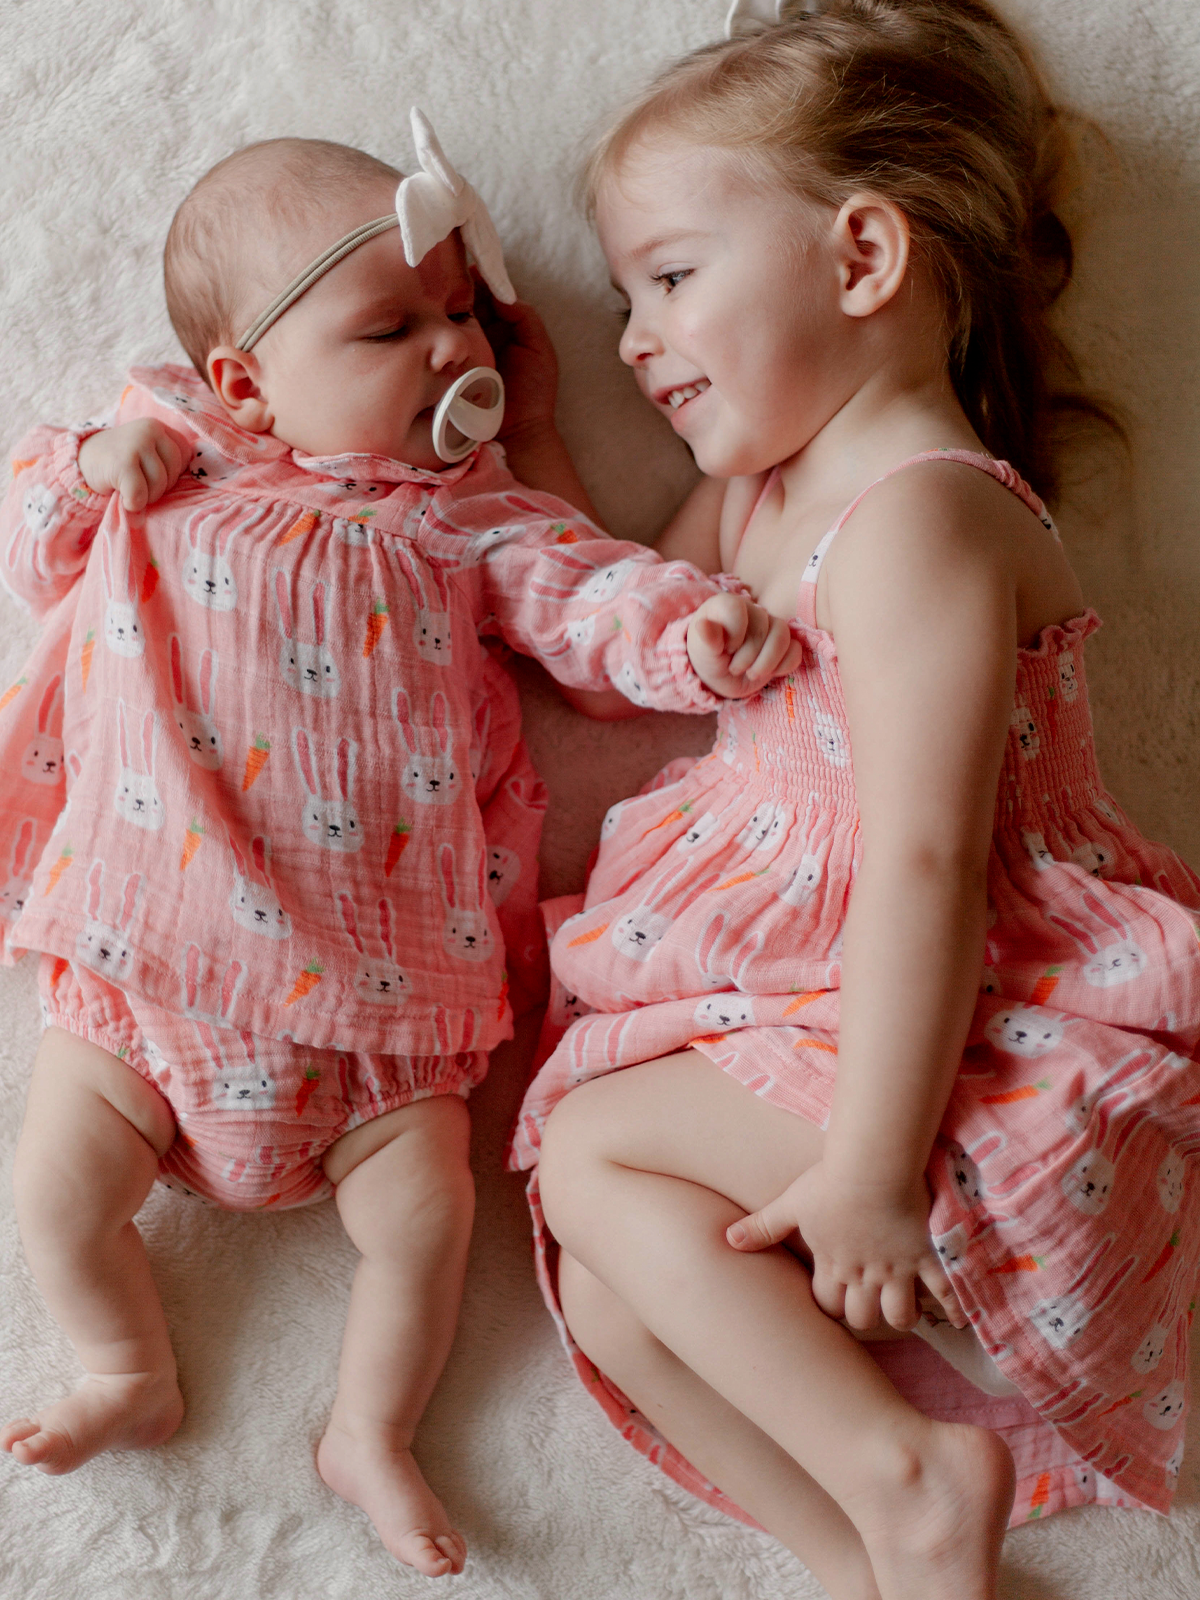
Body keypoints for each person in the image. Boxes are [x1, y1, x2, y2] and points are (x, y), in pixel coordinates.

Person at [0, 125, 799, 1578]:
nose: (448, 351)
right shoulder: (175, 462)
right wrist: (96, 463)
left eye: (458, 314)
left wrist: (690, 633)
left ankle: (370, 1429)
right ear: (245, 379)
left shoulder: (466, 519)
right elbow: (42, 538)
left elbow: (586, 600)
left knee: (425, 1223)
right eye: (390, 326)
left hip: (384, 1012)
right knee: (55, 1191)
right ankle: (127, 1365)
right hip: (154, 964)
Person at [508, 4, 1200, 1597]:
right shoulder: (764, 487)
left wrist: (877, 1173)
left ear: (864, 256)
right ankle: (879, 1556)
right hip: (824, 1011)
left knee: (596, 1155)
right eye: (625, 299)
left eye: (671, 280)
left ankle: (910, 1476)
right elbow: (617, 657)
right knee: (616, 1288)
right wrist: (544, 440)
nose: (634, 338)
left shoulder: (923, 523)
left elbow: (931, 865)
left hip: (973, 1045)